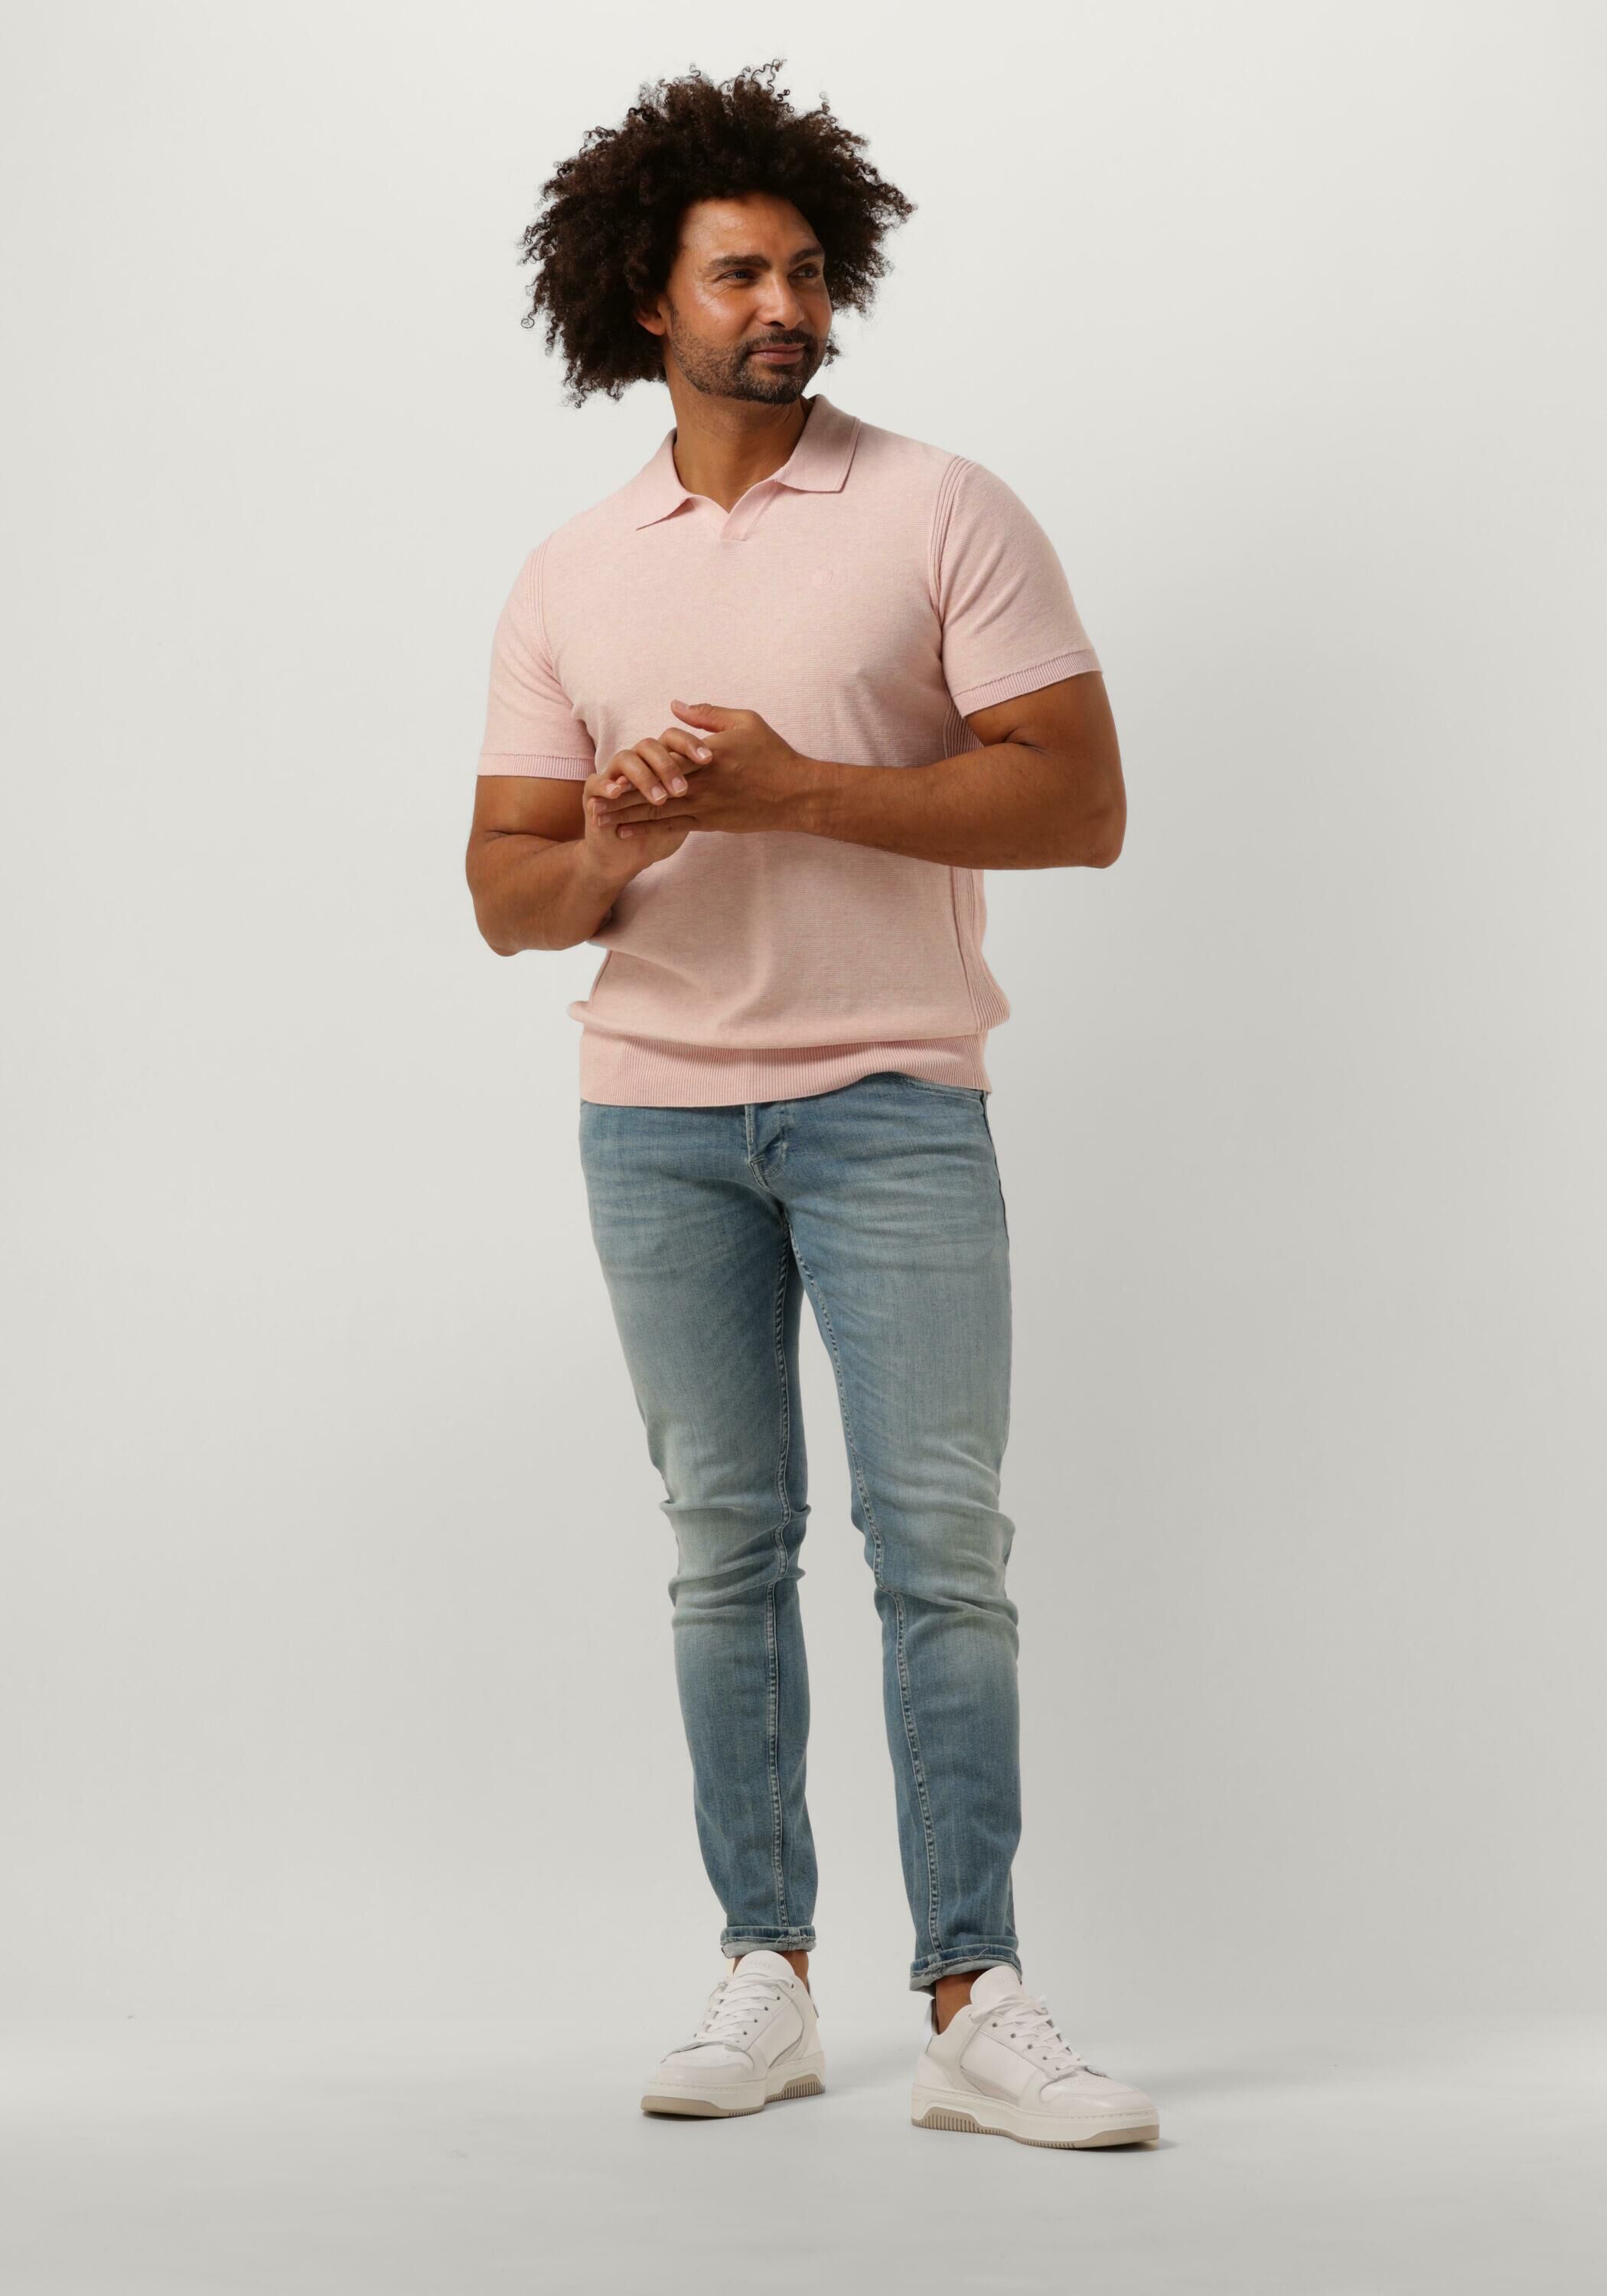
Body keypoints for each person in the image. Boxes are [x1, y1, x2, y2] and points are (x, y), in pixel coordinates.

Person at [465, 60, 1157, 2151]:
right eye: (738, 273)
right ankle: (763, 1971)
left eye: (807, 269)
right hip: (655, 1119)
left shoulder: (941, 508)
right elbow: (507, 895)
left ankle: (972, 1994)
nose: (788, 305)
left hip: (889, 1100)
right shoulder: (572, 570)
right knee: (722, 1552)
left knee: (939, 1549)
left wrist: (793, 791)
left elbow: (1080, 803)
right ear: (643, 297)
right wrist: (625, 837)